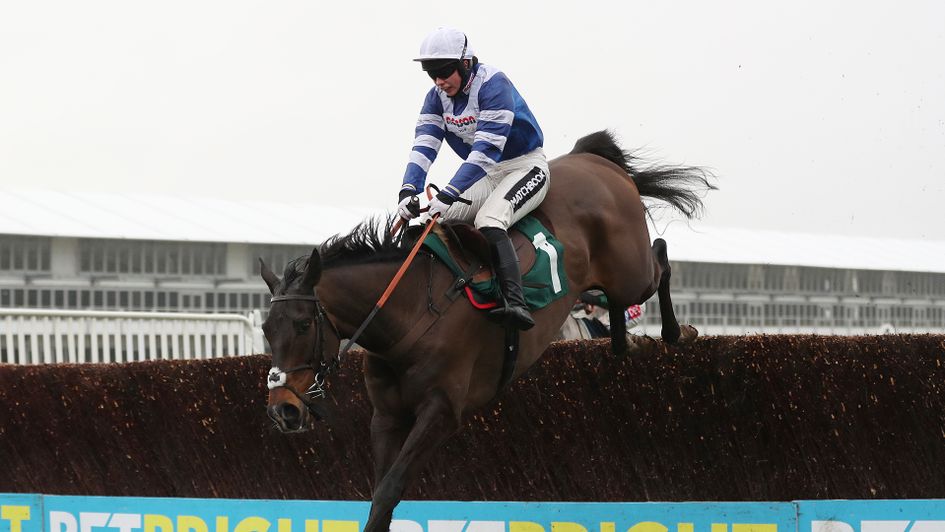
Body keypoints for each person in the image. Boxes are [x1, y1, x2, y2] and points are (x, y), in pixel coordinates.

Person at [397, 27, 550, 331]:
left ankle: (516, 303)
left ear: (465, 63)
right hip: (487, 174)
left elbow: (485, 151)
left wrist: (449, 192)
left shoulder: (493, 84)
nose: (439, 81)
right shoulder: (435, 98)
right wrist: (407, 190)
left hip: (524, 167)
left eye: (444, 72)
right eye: (432, 74)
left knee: (489, 220)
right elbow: (424, 146)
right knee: (434, 221)